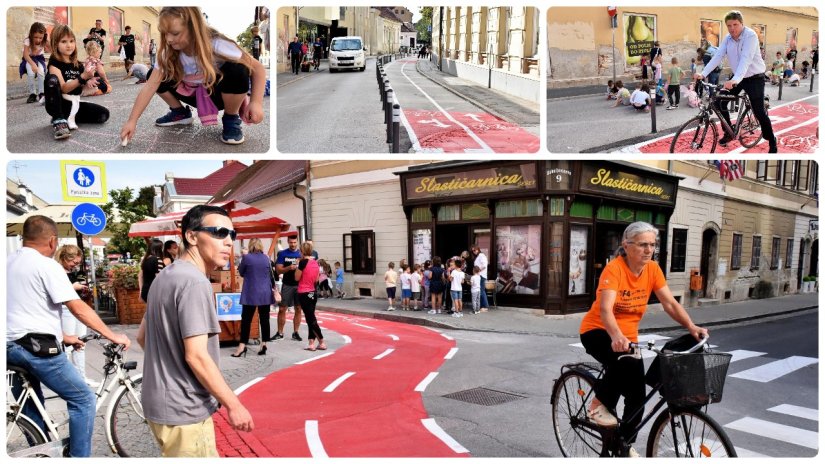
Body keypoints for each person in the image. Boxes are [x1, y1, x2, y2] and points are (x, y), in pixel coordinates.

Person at [579, 222, 708, 458]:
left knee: (637, 396)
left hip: (627, 338)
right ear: (626, 246)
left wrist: (691, 326)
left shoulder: (652, 270)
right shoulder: (614, 270)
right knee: (623, 361)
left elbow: (669, 303)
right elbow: (606, 310)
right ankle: (597, 406)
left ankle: (622, 445)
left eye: (652, 245)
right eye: (642, 245)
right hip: (598, 331)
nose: (649, 250)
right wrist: (616, 335)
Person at [7, 215, 130, 457]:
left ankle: (40, 452)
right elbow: (78, 307)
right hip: (35, 350)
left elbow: (23, 309)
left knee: (32, 403)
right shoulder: (46, 265)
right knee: (83, 399)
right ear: (52, 241)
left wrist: (64, 336)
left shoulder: (8, 262)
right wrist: (111, 335)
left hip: (8, 345)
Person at [137, 205, 253, 457]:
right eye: (219, 233)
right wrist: (234, 404)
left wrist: (169, 366)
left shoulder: (165, 275)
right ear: (191, 236)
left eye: (232, 235)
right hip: (184, 409)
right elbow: (197, 355)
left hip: (159, 404)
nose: (228, 242)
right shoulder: (194, 282)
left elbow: (142, 336)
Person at [120, 7, 266, 146]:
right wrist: (132, 120)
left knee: (238, 68)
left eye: (175, 33)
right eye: (165, 33)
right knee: (154, 74)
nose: (169, 39)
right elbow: (150, 86)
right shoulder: (167, 53)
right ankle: (180, 113)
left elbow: (257, 68)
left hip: (218, 95)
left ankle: (231, 118)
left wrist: (256, 103)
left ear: (193, 28)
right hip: (192, 95)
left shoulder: (216, 44)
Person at [694, 10, 777, 153]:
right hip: (737, 77)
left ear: (742, 24)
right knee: (719, 102)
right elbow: (718, 56)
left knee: (759, 112)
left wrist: (735, 80)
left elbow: (746, 59)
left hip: (754, 77)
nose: (732, 28)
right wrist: (703, 73)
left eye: (735, 25)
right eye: (729, 25)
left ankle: (771, 140)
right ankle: (729, 131)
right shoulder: (727, 38)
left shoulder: (750, 36)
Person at [45, 24, 110, 140]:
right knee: (52, 79)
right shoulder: (54, 64)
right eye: (64, 41)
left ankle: (68, 116)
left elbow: (84, 81)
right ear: (55, 44)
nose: (69, 45)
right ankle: (58, 118)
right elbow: (64, 88)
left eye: (71, 41)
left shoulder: (77, 64)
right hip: (57, 104)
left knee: (104, 114)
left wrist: (89, 81)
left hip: (73, 103)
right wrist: (83, 77)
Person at [55, 245, 99, 387]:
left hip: (76, 306)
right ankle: (67, 379)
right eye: (74, 262)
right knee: (68, 345)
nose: (76, 265)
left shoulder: (68, 271)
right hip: (65, 308)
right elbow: (59, 290)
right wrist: (76, 286)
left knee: (81, 342)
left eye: (78, 263)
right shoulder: (56, 271)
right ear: (64, 258)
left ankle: (80, 377)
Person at [234, 238, 274, 357]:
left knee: (246, 319)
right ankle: (264, 343)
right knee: (265, 319)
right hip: (265, 292)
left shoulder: (247, 258)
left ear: (250, 246)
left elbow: (241, 272)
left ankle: (242, 346)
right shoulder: (266, 258)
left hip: (251, 291)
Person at [295, 242, 325, 351]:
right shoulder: (315, 263)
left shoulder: (302, 263)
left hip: (304, 292)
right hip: (313, 292)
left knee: (310, 319)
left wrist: (298, 267)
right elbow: (317, 280)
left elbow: (297, 278)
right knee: (310, 317)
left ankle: (321, 341)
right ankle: (311, 342)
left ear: (302, 251)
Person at [274, 235, 304, 341]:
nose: (293, 244)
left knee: (298, 309)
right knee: (282, 309)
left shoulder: (301, 253)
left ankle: (296, 332)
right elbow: (278, 270)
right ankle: (280, 333)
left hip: (300, 285)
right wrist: (289, 268)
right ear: (287, 242)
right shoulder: (283, 253)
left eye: (295, 242)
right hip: (287, 284)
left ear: (297, 242)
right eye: (291, 242)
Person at [20, 22, 48, 104]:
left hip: (39, 59)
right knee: (31, 73)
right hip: (29, 58)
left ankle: (41, 93)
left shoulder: (44, 41)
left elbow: (53, 49)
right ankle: (32, 94)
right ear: (31, 34)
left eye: (40, 37)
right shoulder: (27, 41)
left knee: (41, 72)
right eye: (35, 37)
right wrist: (33, 65)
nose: (38, 40)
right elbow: (25, 55)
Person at [139, 239, 165, 304]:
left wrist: (141, 291)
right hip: (154, 292)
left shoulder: (145, 260)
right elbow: (159, 278)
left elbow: (140, 276)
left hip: (145, 291)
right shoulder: (157, 260)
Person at [471, 245, 490, 312]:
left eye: (475, 250)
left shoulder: (481, 255)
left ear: (478, 249)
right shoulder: (478, 256)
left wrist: (478, 271)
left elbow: (484, 265)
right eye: (472, 251)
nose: (474, 252)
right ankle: (482, 306)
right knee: (480, 291)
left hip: (481, 275)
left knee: (481, 291)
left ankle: (485, 306)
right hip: (480, 275)